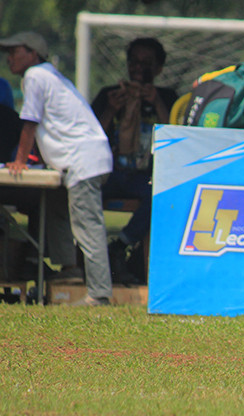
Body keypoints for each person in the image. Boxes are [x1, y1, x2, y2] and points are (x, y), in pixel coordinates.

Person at [0, 31, 112, 306]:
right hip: (82, 161)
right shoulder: (51, 76)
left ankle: (99, 293)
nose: (10, 57)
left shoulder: (35, 76)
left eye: (15, 51)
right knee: (58, 208)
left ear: (33, 54)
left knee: (87, 226)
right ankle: (69, 271)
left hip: (84, 161)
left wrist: (20, 160)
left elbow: (29, 122)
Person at [91, 37, 178, 283]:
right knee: (83, 190)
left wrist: (157, 103)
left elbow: (177, 136)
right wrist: (110, 109)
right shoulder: (109, 95)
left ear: (159, 68)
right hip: (111, 172)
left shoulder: (168, 97)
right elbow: (89, 135)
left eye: (146, 63)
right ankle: (92, 257)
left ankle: (121, 245)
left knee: (162, 194)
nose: (139, 68)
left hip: (145, 176)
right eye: (134, 62)